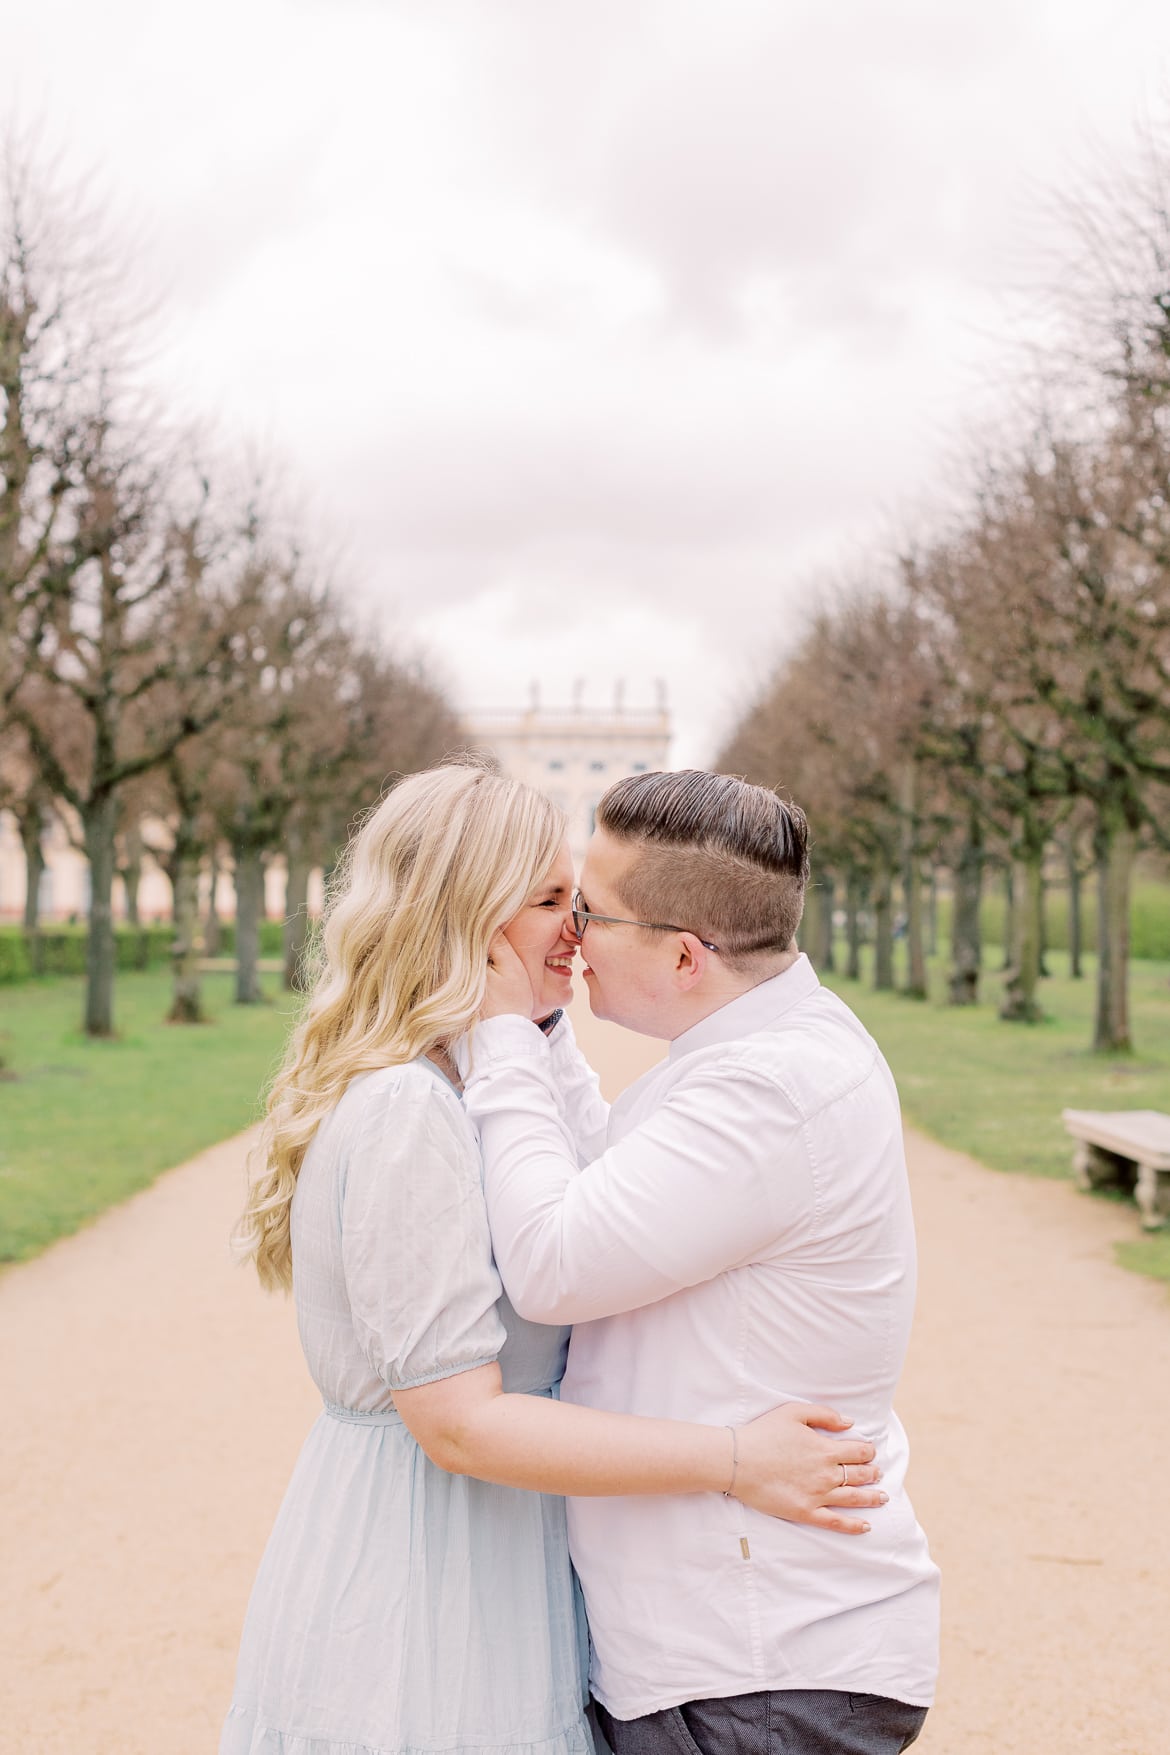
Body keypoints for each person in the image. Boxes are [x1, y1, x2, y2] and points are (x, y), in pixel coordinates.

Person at [220, 762, 885, 1755]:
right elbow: (457, 1427)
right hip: (425, 1579)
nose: (576, 929)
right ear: (468, 924)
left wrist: (526, 1033)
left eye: (578, 901)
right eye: (548, 902)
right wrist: (737, 1461)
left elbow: (587, 1197)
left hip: (493, 1561)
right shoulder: (410, 1111)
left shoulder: (459, 1090)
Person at [461, 769, 941, 1755]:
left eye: (591, 913)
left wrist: (503, 1033)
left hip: (758, 1664)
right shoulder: (756, 1050)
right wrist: (547, 1028)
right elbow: (606, 1179)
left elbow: (553, 1258)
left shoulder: (771, 1088)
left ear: (685, 955)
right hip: (741, 1655)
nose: (570, 935)